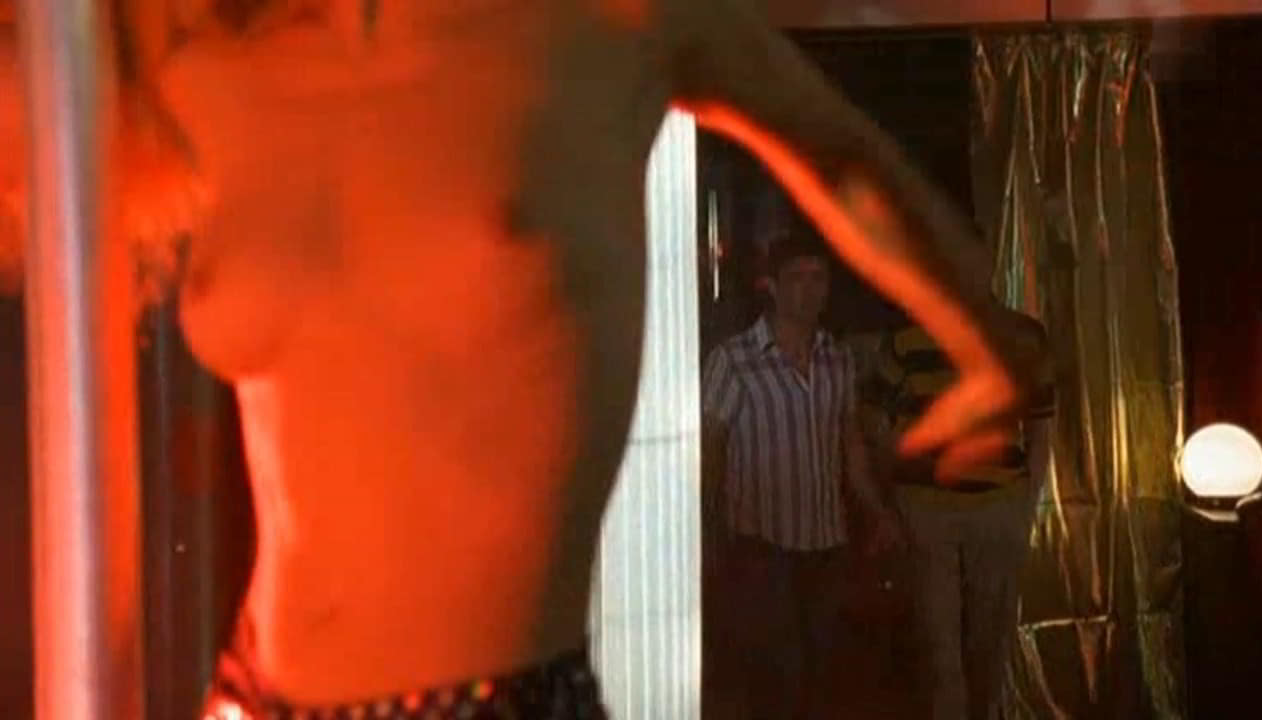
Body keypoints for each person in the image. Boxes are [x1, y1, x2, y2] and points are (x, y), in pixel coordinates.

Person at [5, 0, 1043, 716]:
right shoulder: (197, 65)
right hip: (253, 692)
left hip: (495, 703)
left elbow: (840, 156)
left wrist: (981, 339)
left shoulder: (605, 20)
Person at [701, 235, 901, 719]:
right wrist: (709, 530)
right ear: (770, 286)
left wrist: (876, 510)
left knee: (822, 670)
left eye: (819, 279)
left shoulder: (836, 358)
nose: (809, 291)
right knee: (777, 674)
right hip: (761, 543)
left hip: (826, 539)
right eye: (797, 279)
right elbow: (710, 450)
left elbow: (849, 444)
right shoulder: (735, 360)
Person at [859, 259, 1055, 720]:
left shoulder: (1023, 337)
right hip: (929, 510)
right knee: (939, 646)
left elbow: (1041, 422)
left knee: (991, 642)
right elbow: (870, 414)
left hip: (998, 504)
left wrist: (1027, 499)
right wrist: (907, 466)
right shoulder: (909, 337)